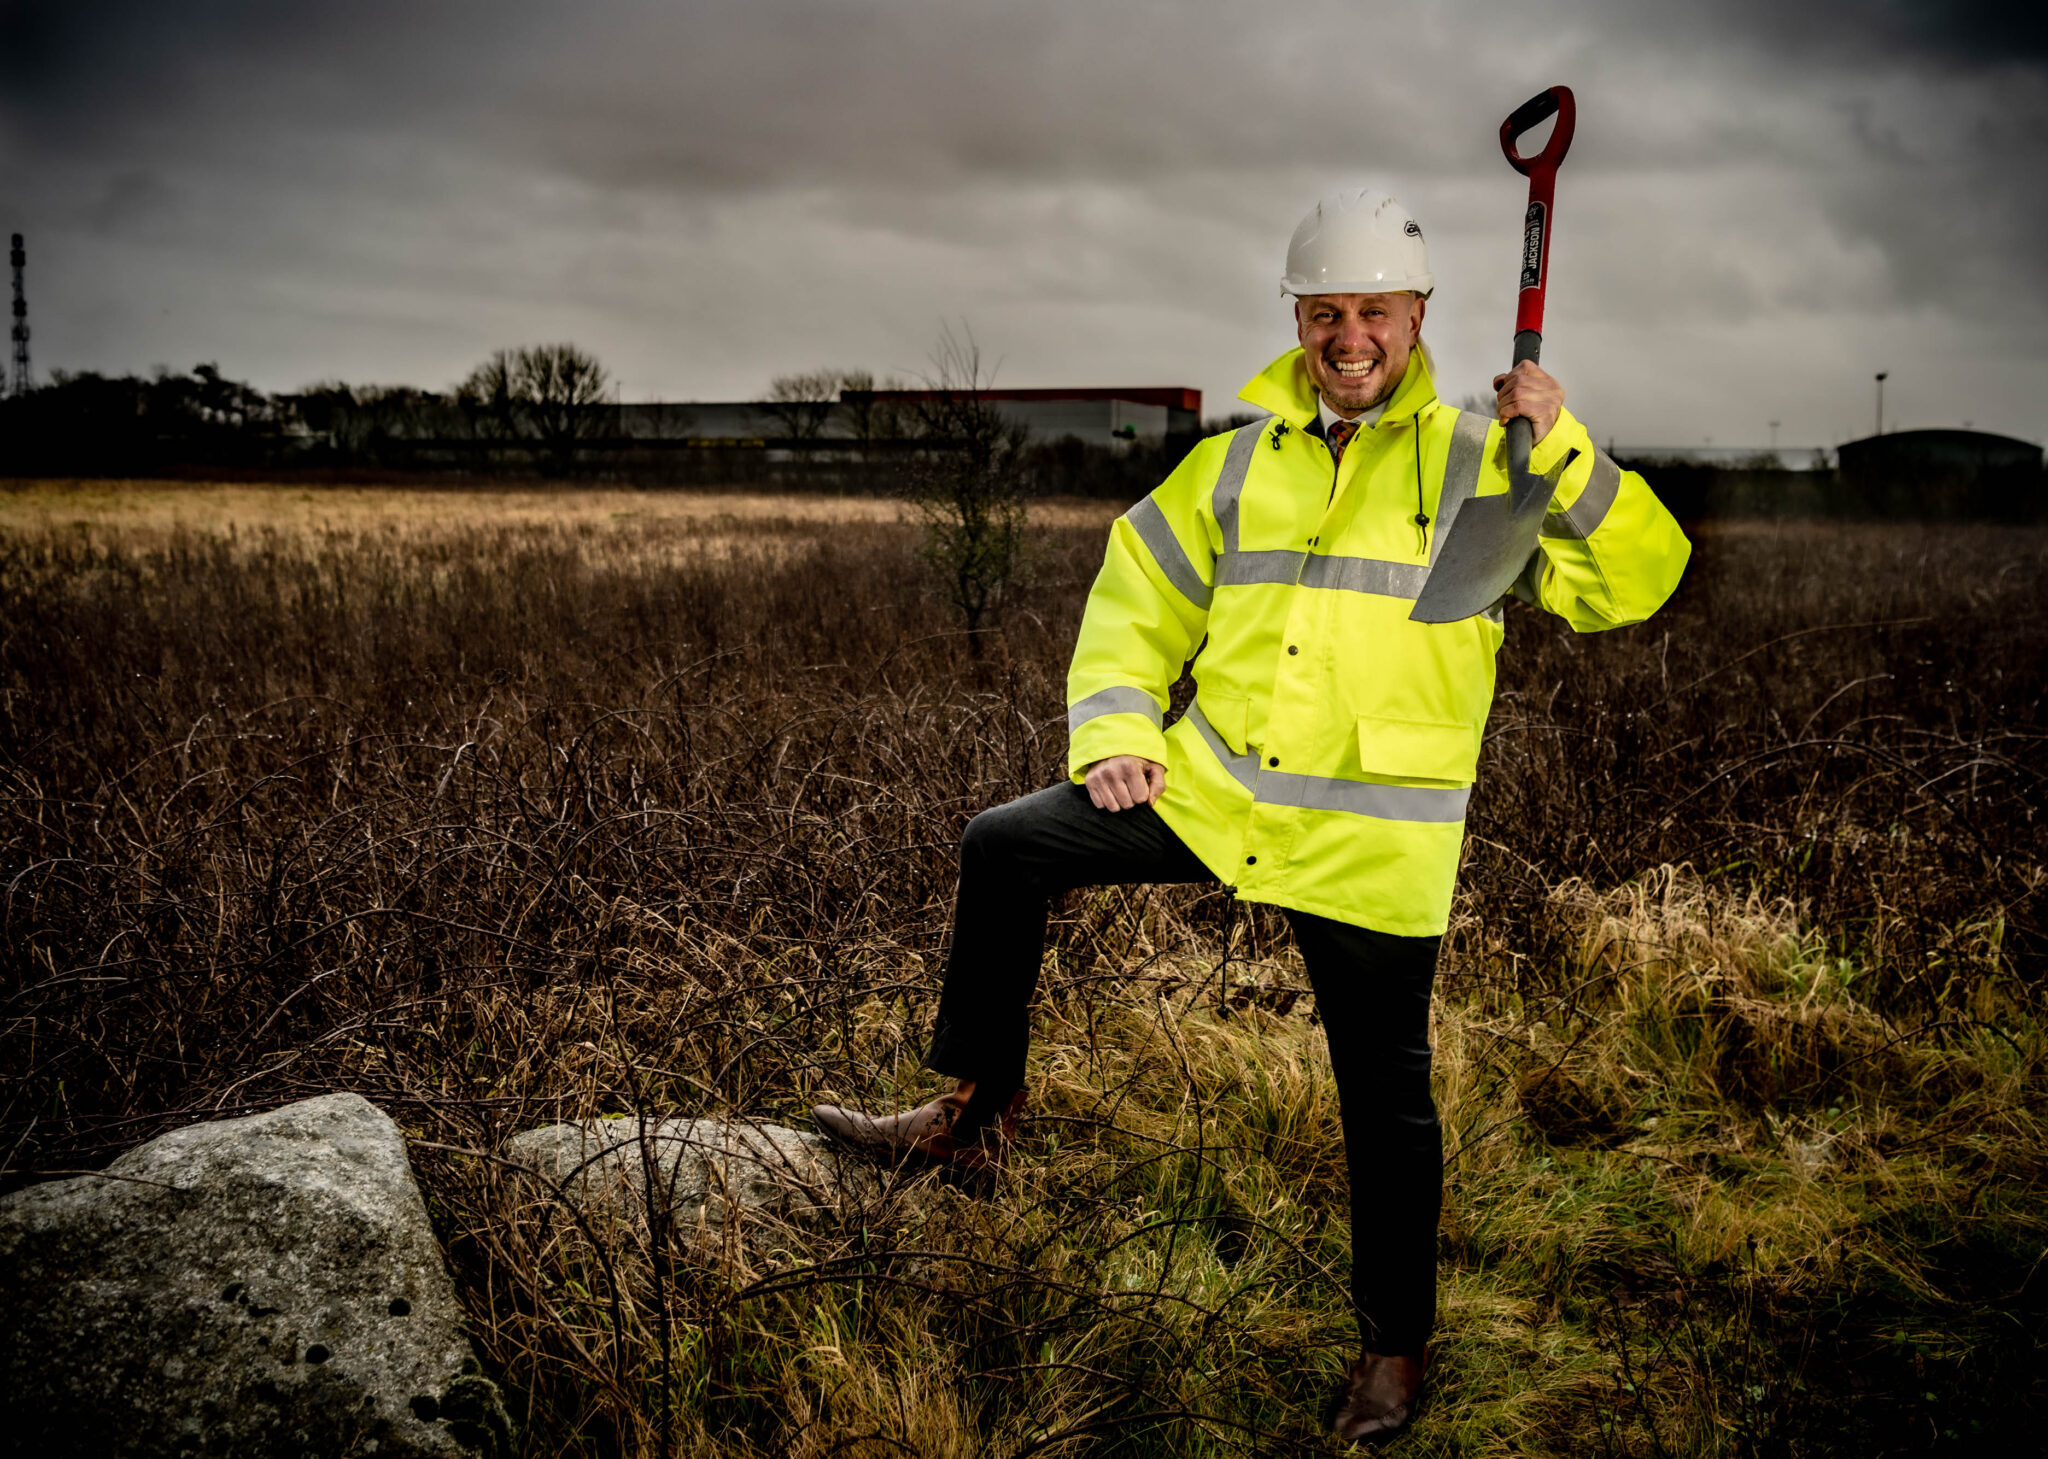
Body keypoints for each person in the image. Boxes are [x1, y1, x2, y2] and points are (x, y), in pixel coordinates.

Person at [813, 187, 1691, 1441]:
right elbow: (1132, 605)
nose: (1348, 336)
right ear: (1295, 317)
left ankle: (1393, 1348)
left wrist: (1563, 450)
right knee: (1005, 845)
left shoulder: (1479, 461)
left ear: (1415, 316)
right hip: (1215, 792)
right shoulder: (1231, 462)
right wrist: (1116, 735)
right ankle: (976, 1119)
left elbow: (1638, 584)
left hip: (1370, 836)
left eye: (1373, 312)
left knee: (1381, 1098)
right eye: (1325, 311)